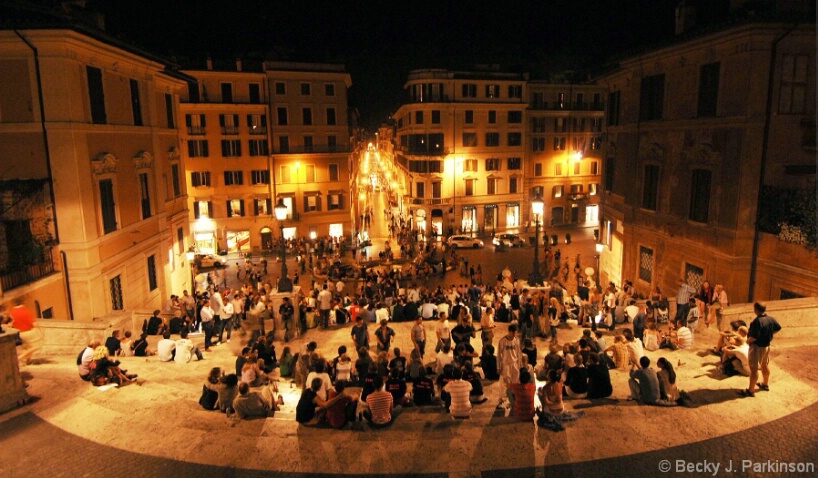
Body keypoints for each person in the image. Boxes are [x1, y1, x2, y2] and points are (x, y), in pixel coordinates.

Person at [741, 302, 782, 398]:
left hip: (756, 348)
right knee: (764, 365)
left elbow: (753, 337)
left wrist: (747, 341)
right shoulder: (770, 319)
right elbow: (778, 328)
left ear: (756, 309)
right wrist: (768, 334)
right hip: (766, 346)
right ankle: (765, 384)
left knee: (754, 369)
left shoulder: (757, 322)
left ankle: (750, 390)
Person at [496, 324, 522, 409]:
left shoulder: (517, 340)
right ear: (510, 331)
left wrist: (519, 365)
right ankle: (502, 400)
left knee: (515, 382)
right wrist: (498, 367)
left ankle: (513, 400)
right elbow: (499, 355)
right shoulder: (502, 341)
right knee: (504, 384)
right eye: (514, 332)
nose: (515, 334)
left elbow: (518, 353)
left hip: (514, 364)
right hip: (506, 364)